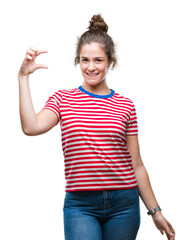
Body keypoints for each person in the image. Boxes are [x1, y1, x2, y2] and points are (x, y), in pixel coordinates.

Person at [18, 14, 175, 240]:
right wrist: (23, 77)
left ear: (110, 61)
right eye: (85, 60)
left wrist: (155, 212)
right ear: (78, 61)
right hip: (80, 206)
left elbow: (136, 164)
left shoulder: (125, 105)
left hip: (124, 205)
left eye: (98, 60)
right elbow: (31, 127)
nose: (91, 67)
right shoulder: (63, 99)